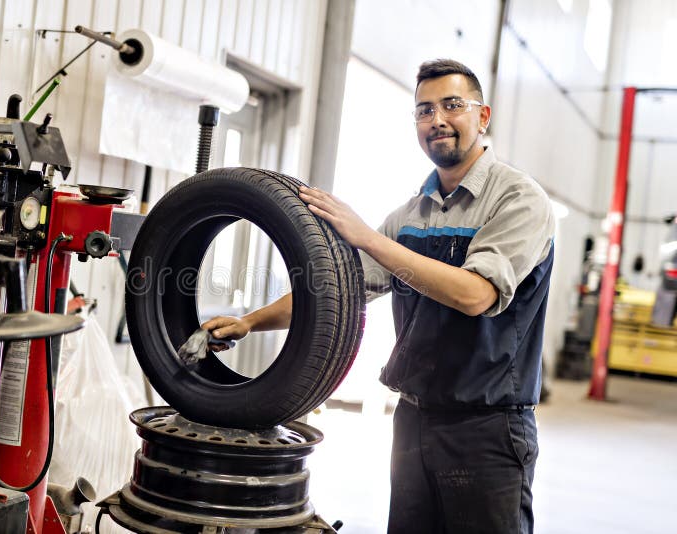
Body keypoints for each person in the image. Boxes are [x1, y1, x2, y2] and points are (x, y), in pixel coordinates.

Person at [203, 59, 554, 534]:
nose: (438, 120)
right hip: (413, 421)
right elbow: (335, 291)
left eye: (452, 106)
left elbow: (475, 295)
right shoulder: (410, 214)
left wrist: (367, 236)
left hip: (487, 428)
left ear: (483, 115)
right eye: (424, 111)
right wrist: (248, 321)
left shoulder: (518, 199)